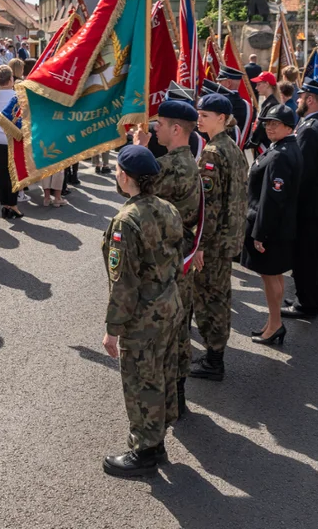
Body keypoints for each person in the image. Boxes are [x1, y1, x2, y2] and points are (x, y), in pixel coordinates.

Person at [100, 144, 183, 478]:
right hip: (169, 303)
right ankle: (157, 438)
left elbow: (124, 284)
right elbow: (178, 254)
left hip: (144, 315)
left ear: (125, 176)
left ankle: (145, 450)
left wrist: (112, 330)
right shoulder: (167, 206)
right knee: (162, 372)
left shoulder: (126, 221)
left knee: (140, 380)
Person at [131, 99, 201, 412]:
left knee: (168, 333)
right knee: (180, 328)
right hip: (179, 255)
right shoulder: (184, 161)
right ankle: (178, 395)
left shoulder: (174, 166)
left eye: (159, 123)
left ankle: (169, 401)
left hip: (169, 261)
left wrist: (137, 151)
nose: (154, 127)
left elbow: (138, 193)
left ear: (175, 129)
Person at [189, 92, 248, 381]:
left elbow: (208, 207)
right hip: (228, 238)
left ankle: (214, 360)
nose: (199, 118)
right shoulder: (231, 147)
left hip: (213, 243)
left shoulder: (213, 152)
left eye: (205, 115)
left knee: (209, 299)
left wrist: (199, 245)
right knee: (220, 296)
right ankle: (215, 355)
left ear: (221, 118)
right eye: (199, 113)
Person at [242, 103, 302, 345]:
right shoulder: (284, 147)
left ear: (289, 127)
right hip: (279, 225)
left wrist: (260, 234)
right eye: (267, 123)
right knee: (274, 276)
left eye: (275, 124)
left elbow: (271, 198)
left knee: (270, 277)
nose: (269, 127)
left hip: (270, 227)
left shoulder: (279, 154)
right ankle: (273, 322)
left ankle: (275, 324)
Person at [282, 78, 318, 320]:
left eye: (302, 97)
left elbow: (302, 171)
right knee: (312, 255)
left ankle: (306, 303)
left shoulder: (311, 129)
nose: (299, 101)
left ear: (311, 100)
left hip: (309, 204)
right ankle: (307, 298)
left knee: (306, 256)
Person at [0, 65, 23, 219]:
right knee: (14, 174)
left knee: (2, 173)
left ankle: (5, 205)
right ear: (11, 79)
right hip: (14, 139)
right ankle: (12, 205)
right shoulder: (18, 95)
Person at [246, 71, 279, 152]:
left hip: (265, 145)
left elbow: (261, 127)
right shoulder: (269, 102)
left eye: (258, 84)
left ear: (267, 84)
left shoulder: (271, 104)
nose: (256, 88)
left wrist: (251, 142)